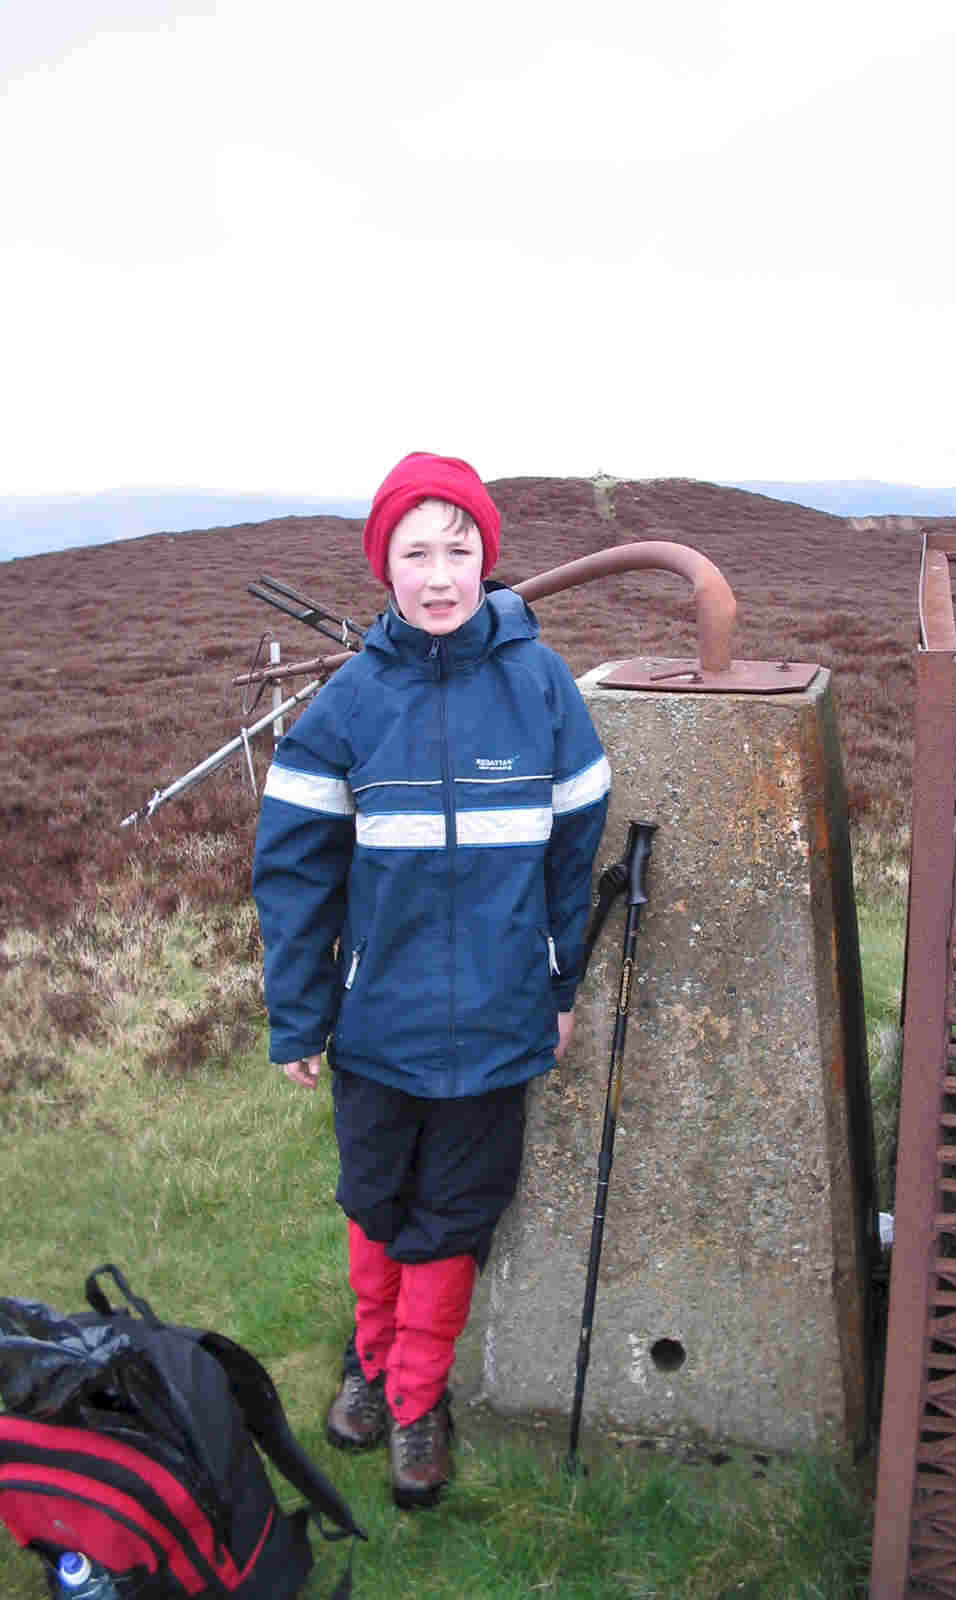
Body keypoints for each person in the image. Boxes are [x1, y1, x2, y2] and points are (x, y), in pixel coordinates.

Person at [252, 451, 610, 1507]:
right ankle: (371, 1362)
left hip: (498, 1026)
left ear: (487, 559)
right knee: (373, 1199)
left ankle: (415, 1398)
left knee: (451, 1217)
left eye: (461, 550)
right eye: (417, 551)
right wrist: (298, 1017)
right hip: (377, 1026)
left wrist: (559, 989)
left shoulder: (541, 684)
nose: (441, 574)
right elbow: (294, 873)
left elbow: (573, 848)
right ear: (385, 567)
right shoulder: (350, 702)